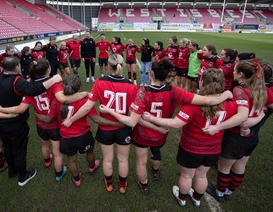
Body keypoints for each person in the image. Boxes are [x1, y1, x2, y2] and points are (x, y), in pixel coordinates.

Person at [99, 59, 233, 195]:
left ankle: (144, 184)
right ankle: (156, 171)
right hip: (162, 134)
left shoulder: (142, 92)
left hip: (142, 134)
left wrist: (110, 111)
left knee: (141, 161)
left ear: (151, 73)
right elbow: (208, 100)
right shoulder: (175, 91)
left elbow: (133, 121)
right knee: (156, 151)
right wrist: (226, 94)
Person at [142, 69, 241, 207]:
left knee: (187, 176)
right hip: (213, 148)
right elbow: (241, 117)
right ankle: (196, 198)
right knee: (201, 175)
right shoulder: (230, 103)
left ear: (202, 82)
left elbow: (176, 123)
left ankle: (182, 198)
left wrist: (152, 118)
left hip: (191, 147)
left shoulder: (193, 104)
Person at [0, 57, 62, 186]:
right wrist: (53, 79)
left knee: (8, 148)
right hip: (16, 122)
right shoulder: (17, 80)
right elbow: (33, 89)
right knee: (18, 150)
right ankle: (23, 176)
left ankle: (12, 171)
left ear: (2, 67)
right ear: (17, 67)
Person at [0, 58, 88, 181]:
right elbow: (64, 99)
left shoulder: (28, 86)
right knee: (57, 152)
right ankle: (58, 174)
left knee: (45, 144)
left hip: (40, 123)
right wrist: (84, 94)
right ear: (49, 69)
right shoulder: (53, 83)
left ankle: (47, 161)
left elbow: (21, 109)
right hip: (53, 124)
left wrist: (1, 109)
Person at [204, 59, 273, 202]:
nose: (233, 72)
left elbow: (242, 117)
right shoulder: (263, 90)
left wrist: (218, 126)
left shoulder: (240, 90)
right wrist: (261, 114)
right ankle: (229, 191)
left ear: (241, 74)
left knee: (224, 167)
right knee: (240, 166)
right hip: (252, 137)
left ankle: (220, 192)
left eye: (234, 70)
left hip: (235, 136)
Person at [63, 54, 138, 194]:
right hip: (123, 127)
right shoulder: (131, 86)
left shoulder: (99, 82)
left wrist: (71, 120)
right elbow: (133, 111)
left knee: (108, 159)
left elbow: (86, 107)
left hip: (105, 129)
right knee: (123, 160)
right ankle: (122, 185)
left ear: (108, 66)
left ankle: (109, 184)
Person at [37, 75, 122, 187]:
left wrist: (38, 115)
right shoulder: (84, 101)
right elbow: (96, 119)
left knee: (71, 160)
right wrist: (116, 123)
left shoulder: (56, 100)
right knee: (89, 152)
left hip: (66, 137)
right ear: (79, 87)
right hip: (83, 135)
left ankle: (77, 179)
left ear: (64, 85)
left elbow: (48, 119)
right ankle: (92, 167)